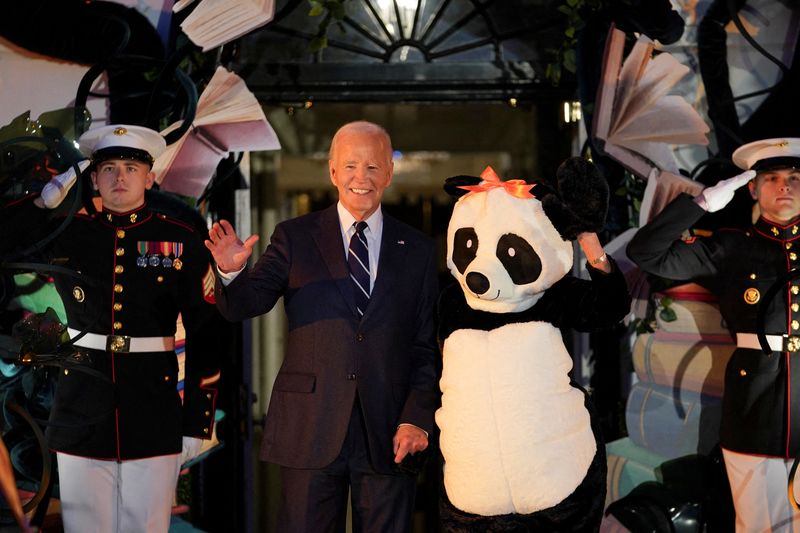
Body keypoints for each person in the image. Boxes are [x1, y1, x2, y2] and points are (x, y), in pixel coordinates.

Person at [206, 121, 439, 532]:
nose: (361, 178)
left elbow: (424, 346)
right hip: (309, 425)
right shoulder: (294, 237)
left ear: (389, 173)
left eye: (372, 167)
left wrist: (417, 417)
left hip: (389, 431)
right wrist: (230, 273)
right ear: (333, 172)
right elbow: (244, 305)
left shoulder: (417, 249)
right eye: (350, 166)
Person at [5, 124, 223, 533]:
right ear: (94, 179)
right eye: (108, 168)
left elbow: (206, 334)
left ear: (149, 177)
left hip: (153, 408)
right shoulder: (69, 232)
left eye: (130, 168)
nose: (119, 177)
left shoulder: (179, 239)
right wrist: (41, 203)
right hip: (81, 408)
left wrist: (198, 420)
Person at [627, 137, 800, 531]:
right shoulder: (731, 247)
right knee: (759, 524)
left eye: (794, 178)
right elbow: (646, 253)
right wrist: (701, 205)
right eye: (771, 178)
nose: (784, 186)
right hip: (755, 409)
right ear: (752, 189)